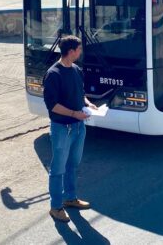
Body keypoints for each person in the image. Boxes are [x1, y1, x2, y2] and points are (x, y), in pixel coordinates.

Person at [43, 35, 98, 223]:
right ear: (71, 51)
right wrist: (75, 114)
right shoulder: (53, 74)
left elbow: (80, 94)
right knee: (58, 169)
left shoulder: (76, 70)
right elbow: (53, 105)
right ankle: (56, 207)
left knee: (72, 165)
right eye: (79, 49)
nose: (81, 52)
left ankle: (70, 198)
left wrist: (89, 104)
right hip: (62, 129)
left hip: (78, 127)